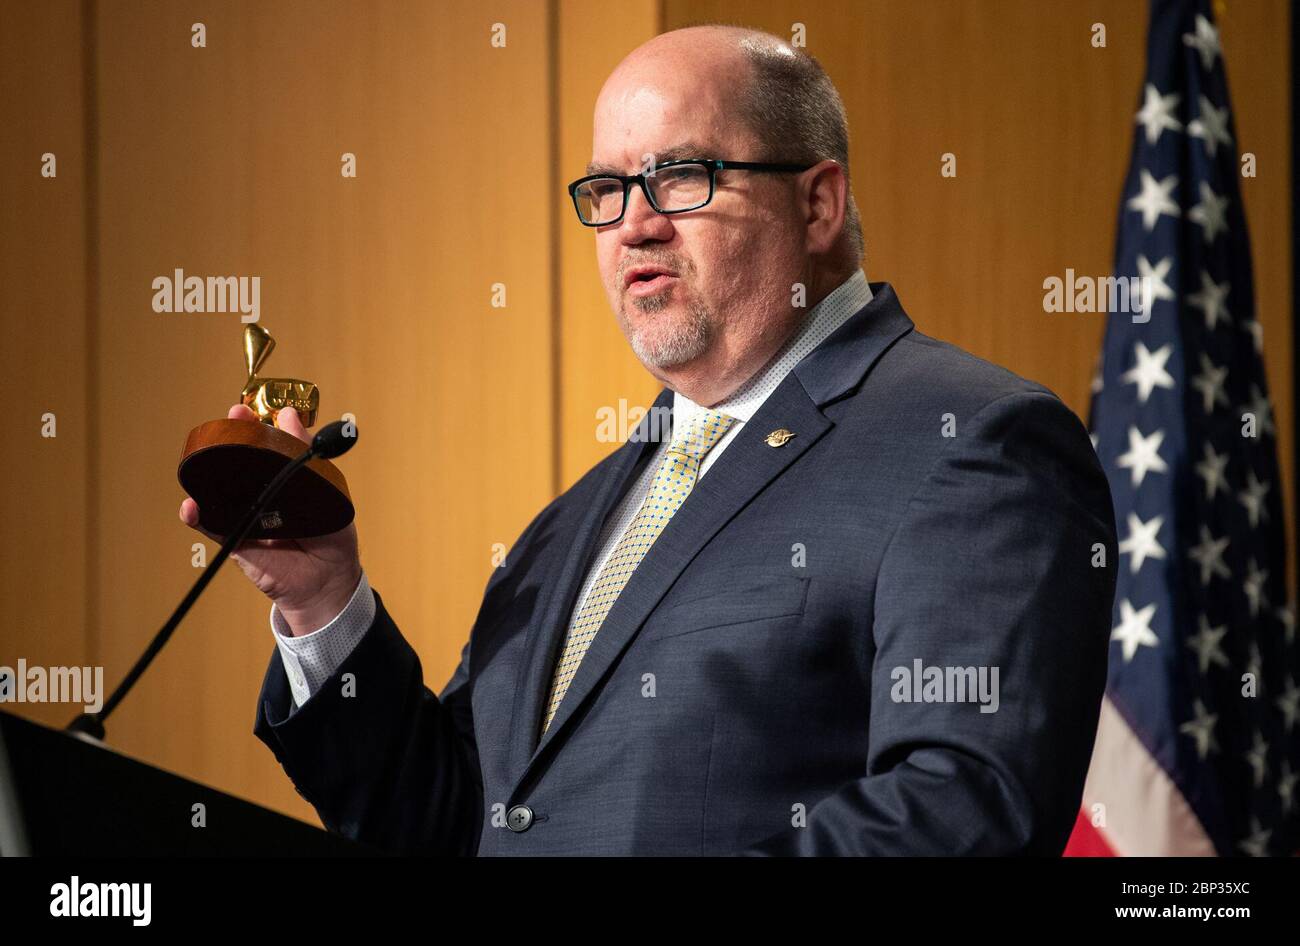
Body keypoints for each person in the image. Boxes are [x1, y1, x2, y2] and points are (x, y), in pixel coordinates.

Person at [181, 24, 1117, 855]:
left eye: (680, 175)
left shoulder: (970, 443)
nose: (634, 223)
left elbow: (961, 810)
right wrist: (324, 604)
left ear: (818, 205)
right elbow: (449, 820)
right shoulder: (570, 524)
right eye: (607, 189)